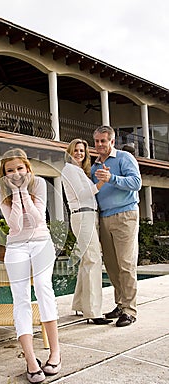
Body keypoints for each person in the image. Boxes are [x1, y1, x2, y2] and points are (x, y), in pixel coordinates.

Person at [0, 148, 61, 384]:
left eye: (19, 168)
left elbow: (36, 220)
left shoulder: (40, 184)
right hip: (16, 246)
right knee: (20, 298)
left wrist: (23, 191)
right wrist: (15, 194)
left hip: (41, 243)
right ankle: (31, 360)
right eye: (9, 170)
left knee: (44, 288)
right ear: (3, 173)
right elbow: (14, 225)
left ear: (28, 168)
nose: (15, 173)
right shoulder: (0, 190)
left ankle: (55, 352)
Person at [91, 125, 142, 327]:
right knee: (112, 266)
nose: (100, 145)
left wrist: (111, 178)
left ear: (112, 141)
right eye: (97, 141)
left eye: (104, 141)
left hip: (125, 215)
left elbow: (136, 182)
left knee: (126, 264)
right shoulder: (94, 166)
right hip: (104, 217)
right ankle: (120, 304)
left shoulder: (124, 158)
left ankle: (130, 311)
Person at [61, 139, 112, 325]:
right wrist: (101, 184)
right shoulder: (69, 169)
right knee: (93, 260)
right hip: (83, 216)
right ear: (70, 152)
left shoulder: (79, 171)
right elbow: (82, 194)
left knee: (87, 260)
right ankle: (93, 312)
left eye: (82, 150)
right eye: (75, 150)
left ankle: (80, 304)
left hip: (87, 216)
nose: (79, 153)